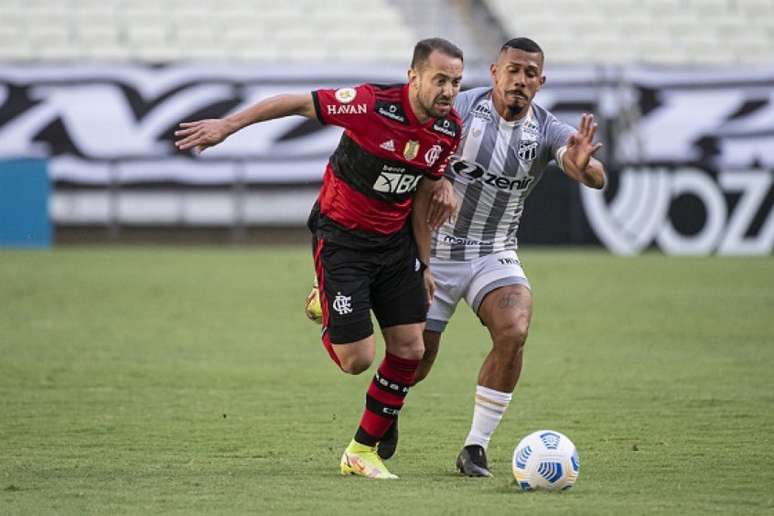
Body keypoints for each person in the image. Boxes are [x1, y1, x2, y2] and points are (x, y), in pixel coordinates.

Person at [175, 38, 463, 479]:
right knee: (357, 360)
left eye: (456, 82)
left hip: (395, 245)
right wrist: (228, 126)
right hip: (342, 238)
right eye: (440, 79)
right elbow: (295, 103)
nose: (448, 90)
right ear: (414, 76)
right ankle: (325, 300)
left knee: (411, 348)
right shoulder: (370, 105)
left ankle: (360, 451)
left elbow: (425, 190)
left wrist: (425, 264)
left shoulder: (448, 130)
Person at [381, 37, 607, 476]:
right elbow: (419, 149)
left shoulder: (545, 130)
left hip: (494, 251)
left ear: (541, 82)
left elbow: (593, 175)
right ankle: (387, 411)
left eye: (530, 74)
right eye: (513, 70)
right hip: (436, 250)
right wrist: (439, 179)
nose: (520, 80)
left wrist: (584, 165)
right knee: (417, 358)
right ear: (495, 73)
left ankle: (475, 448)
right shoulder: (462, 110)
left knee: (514, 329)